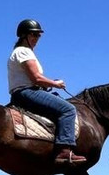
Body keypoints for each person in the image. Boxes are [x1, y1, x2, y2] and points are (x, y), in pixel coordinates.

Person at [7, 19, 85, 166]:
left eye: (38, 36)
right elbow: (36, 78)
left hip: (23, 92)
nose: (36, 39)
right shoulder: (24, 51)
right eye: (33, 35)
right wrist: (55, 84)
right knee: (68, 109)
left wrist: (47, 85)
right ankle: (64, 151)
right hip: (26, 93)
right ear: (24, 36)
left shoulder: (20, 52)